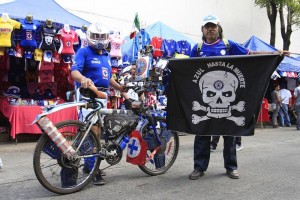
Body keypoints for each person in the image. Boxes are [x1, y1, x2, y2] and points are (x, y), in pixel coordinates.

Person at [188, 14, 289, 181]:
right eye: (207, 26)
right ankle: (199, 167)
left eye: (214, 26)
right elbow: (188, 71)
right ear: (203, 30)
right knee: (202, 134)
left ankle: (231, 167)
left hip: (229, 98)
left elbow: (251, 54)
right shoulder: (197, 49)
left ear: (219, 28)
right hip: (205, 99)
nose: (211, 29)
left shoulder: (229, 45)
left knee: (230, 133)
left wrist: (274, 54)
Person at [71, 22, 128, 186]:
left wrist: (119, 87)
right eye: (96, 36)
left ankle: (89, 167)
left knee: (98, 133)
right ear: (89, 37)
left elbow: (108, 77)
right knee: (93, 133)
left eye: (102, 37)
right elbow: (74, 71)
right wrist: (84, 79)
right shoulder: (83, 51)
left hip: (102, 95)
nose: (99, 40)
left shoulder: (106, 56)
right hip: (88, 95)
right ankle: (92, 170)